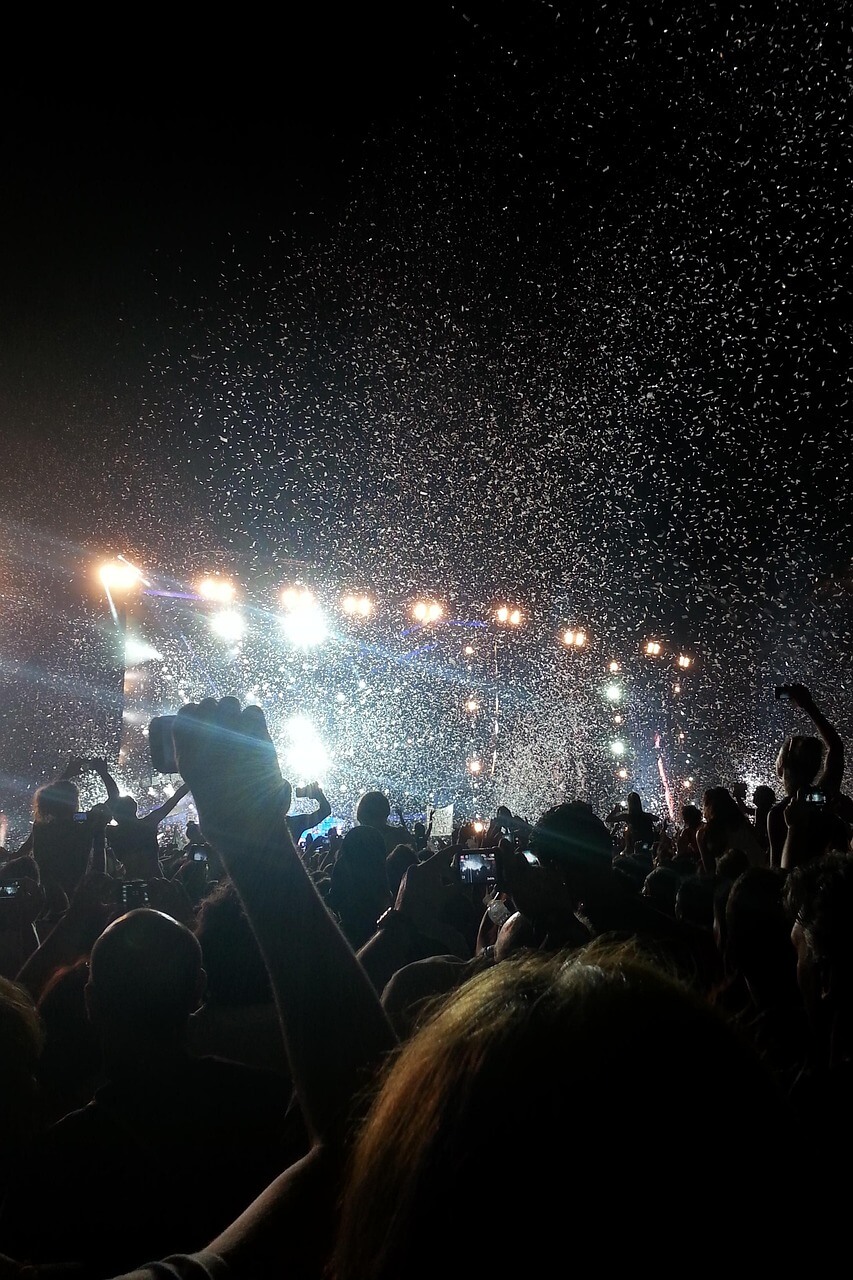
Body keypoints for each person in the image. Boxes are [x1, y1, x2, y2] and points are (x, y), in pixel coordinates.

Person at [769, 683, 846, 867]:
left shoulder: (779, 813)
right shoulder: (823, 799)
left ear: (781, 766)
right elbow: (836, 747)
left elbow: (777, 872)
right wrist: (809, 706)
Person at [107, 781, 191, 881]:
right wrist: (190, 780)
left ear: (115, 815)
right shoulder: (147, 824)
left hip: (130, 881)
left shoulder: (112, 832)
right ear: (134, 809)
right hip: (156, 880)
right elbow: (174, 799)